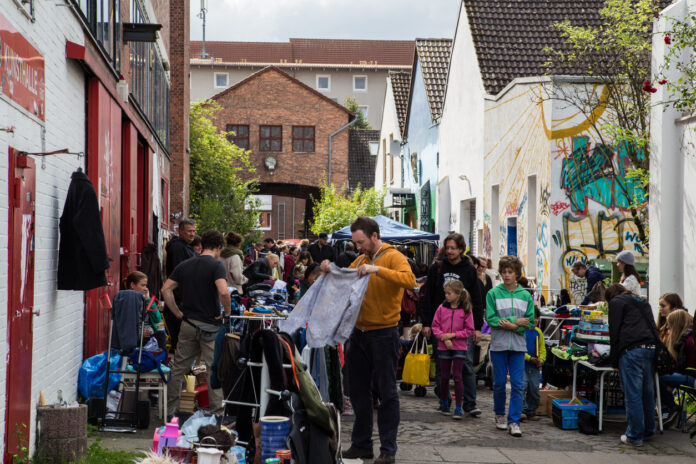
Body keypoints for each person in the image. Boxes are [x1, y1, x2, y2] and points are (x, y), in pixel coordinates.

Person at [325, 216, 415, 464]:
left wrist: (377, 270)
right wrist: (329, 270)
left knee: (387, 393)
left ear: (375, 236)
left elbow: (410, 281)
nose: (358, 247)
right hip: (359, 333)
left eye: (361, 241)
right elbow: (346, 279)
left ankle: (388, 450)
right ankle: (362, 445)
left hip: (384, 333)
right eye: (355, 242)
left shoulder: (393, 256)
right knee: (358, 392)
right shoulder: (361, 258)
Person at [161, 230, 231, 416]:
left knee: (178, 368)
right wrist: (227, 313)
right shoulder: (216, 266)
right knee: (212, 369)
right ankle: (217, 413)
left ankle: (171, 412)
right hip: (210, 326)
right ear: (218, 247)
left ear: (202, 245)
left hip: (188, 324)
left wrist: (177, 312)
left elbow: (165, 289)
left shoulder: (185, 265)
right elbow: (223, 292)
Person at [422, 233, 484, 417]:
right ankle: (444, 400)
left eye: (453, 248)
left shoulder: (469, 270)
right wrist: (426, 323)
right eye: (447, 248)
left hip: (463, 328)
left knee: (465, 365)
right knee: (442, 368)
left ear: (461, 249)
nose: (449, 251)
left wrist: (478, 327)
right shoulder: (437, 268)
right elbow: (428, 297)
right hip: (440, 326)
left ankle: (469, 403)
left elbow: (477, 300)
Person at [485, 255, 533, 437]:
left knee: (518, 385)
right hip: (499, 344)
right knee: (498, 383)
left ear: (517, 274)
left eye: (510, 272)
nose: (506, 275)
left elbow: (529, 322)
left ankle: (514, 420)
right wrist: (514, 322)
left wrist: (514, 326)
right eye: (504, 272)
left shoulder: (525, 295)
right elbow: (491, 319)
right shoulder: (493, 294)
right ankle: (499, 414)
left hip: (519, 346)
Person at [605, 283, 658, 446]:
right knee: (647, 393)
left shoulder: (616, 302)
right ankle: (649, 430)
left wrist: (614, 359)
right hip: (650, 348)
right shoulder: (642, 301)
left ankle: (634, 435)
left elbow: (614, 332)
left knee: (633, 393)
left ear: (610, 297)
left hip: (631, 351)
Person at [431, 280, 475, 419]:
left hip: (459, 347)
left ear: (457, 294)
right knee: (444, 377)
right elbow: (435, 326)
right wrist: (444, 338)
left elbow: (469, 330)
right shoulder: (441, 308)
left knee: (457, 377)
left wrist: (453, 335)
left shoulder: (466, 310)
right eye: (445, 293)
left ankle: (458, 407)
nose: (446, 295)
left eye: (449, 293)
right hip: (444, 346)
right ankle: (444, 402)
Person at [164, 218, 197, 352]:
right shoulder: (178, 248)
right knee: (182, 343)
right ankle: (180, 371)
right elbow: (180, 274)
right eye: (189, 231)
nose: (192, 234)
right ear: (180, 231)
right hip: (179, 301)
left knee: (184, 344)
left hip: (182, 300)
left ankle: (188, 371)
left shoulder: (185, 247)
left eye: (194, 231)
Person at [659, 309, 695, 425]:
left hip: (693, 378)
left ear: (676, 324)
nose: (667, 327)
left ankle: (670, 408)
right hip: (690, 376)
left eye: (669, 324)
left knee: (659, 377)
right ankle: (671, 410)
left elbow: (690, 368)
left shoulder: (689, 341)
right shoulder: (688, 338)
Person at [521, 306, 545, 421]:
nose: (535, 321)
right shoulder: (522, 331)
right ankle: (521, 410)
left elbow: (542, 349)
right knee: (522, 386)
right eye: (533, 318)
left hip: (534, 367)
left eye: (537, 318)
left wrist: (541, 359)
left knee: (534, 388)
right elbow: (520, 349)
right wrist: (529, 358)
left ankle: (531, 410)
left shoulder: (538, 332)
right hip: (523, 365)